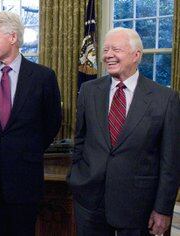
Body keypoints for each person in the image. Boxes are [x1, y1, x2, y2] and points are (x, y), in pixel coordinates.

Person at [67, 27, 180, 236]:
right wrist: (76, 177)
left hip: (138, 205)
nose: (108, 55)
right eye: (106, 49)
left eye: (116, 49)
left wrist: (163, 209)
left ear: (136, 55)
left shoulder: (164, 99)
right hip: (90, 201)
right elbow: (80, 140)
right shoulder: (89, 91)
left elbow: (170, 161)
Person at [0, 12, 62, 235]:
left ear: (12, 37)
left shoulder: (43, 77)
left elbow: (52, 123)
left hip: (25, 179)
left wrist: (26, 148)